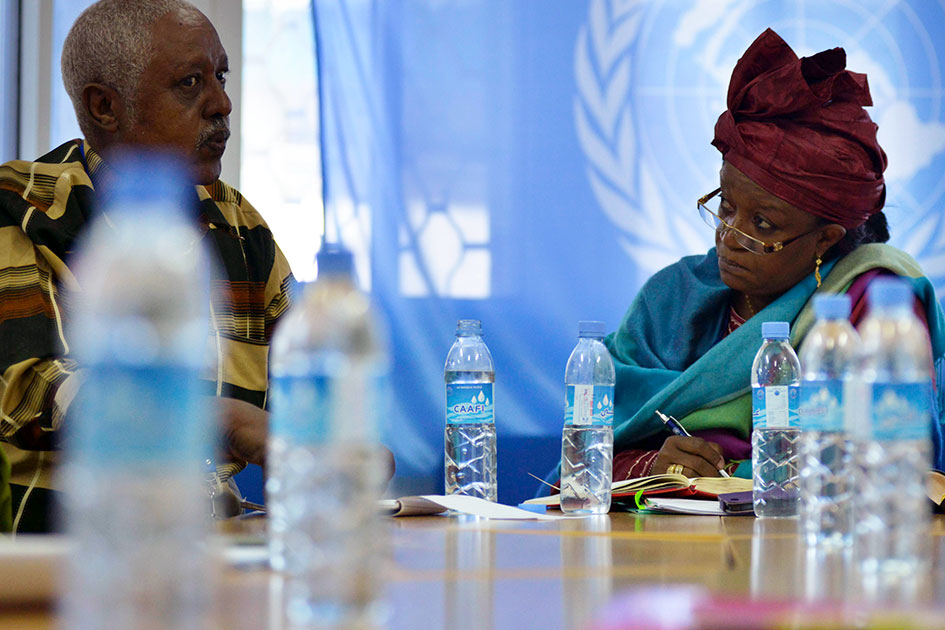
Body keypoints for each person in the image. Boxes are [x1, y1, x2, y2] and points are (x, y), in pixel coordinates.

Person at [0, 0, 294, 533]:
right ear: (104, 107)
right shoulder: (22, 208)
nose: (222, 102)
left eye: (220, 76)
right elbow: (27, 388)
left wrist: (335, 445)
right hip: (63, 560)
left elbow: (308, 370)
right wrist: (214, 419)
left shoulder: (239, 224)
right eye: (189, 83)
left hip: (212, 550)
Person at [604, 28, 945, 482]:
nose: (729, 236)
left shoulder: (872, 303)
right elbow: (589, 451)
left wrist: (727, 473)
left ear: (825, 239)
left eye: (763, 225)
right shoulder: (672, 298)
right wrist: (655, 465)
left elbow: (892, 463)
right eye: (725, 206)